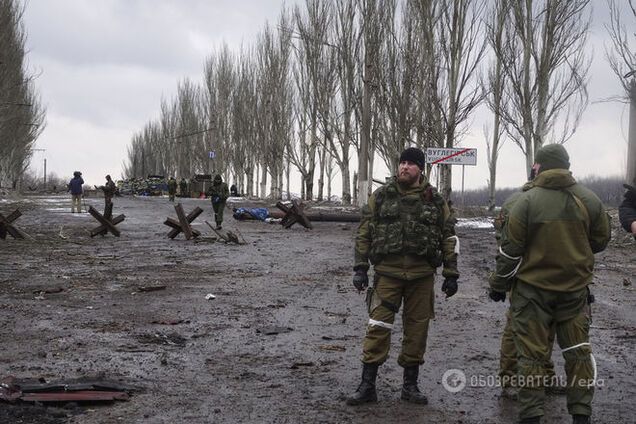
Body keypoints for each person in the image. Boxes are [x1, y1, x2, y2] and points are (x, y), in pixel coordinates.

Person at [489, 144, 611, 424]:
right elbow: (601, 240)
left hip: (532, 293)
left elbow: (510, 252)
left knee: (531, 356)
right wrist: (574, 250)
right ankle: (581, 414)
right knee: (578, 353)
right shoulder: (589, 199)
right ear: (567, 165)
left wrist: (498, 284)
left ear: (539, 167)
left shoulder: (525, 201)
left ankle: (532, 416)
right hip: (574, 292)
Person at [347, 147, 460, 406]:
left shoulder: (435, 201)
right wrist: (360, 268)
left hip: (422, 277)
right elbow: (364, 232)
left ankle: (410, 385)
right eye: (402, 163)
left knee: (417, 330)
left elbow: (448, 238)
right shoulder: (382, 196)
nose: (404, 167)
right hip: (387, 275)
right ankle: (367, 385)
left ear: (421, 169)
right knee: (378, 326)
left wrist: (451, 274)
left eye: (411, 164)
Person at [493, 179, 559, 401]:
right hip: (525, 277)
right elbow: (506, 244)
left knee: (548, 328)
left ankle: (544, 376)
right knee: (516, 327)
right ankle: (510, 379)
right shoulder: (519, 201)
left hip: (549, 277)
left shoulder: (553, 198)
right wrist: (502, 280)